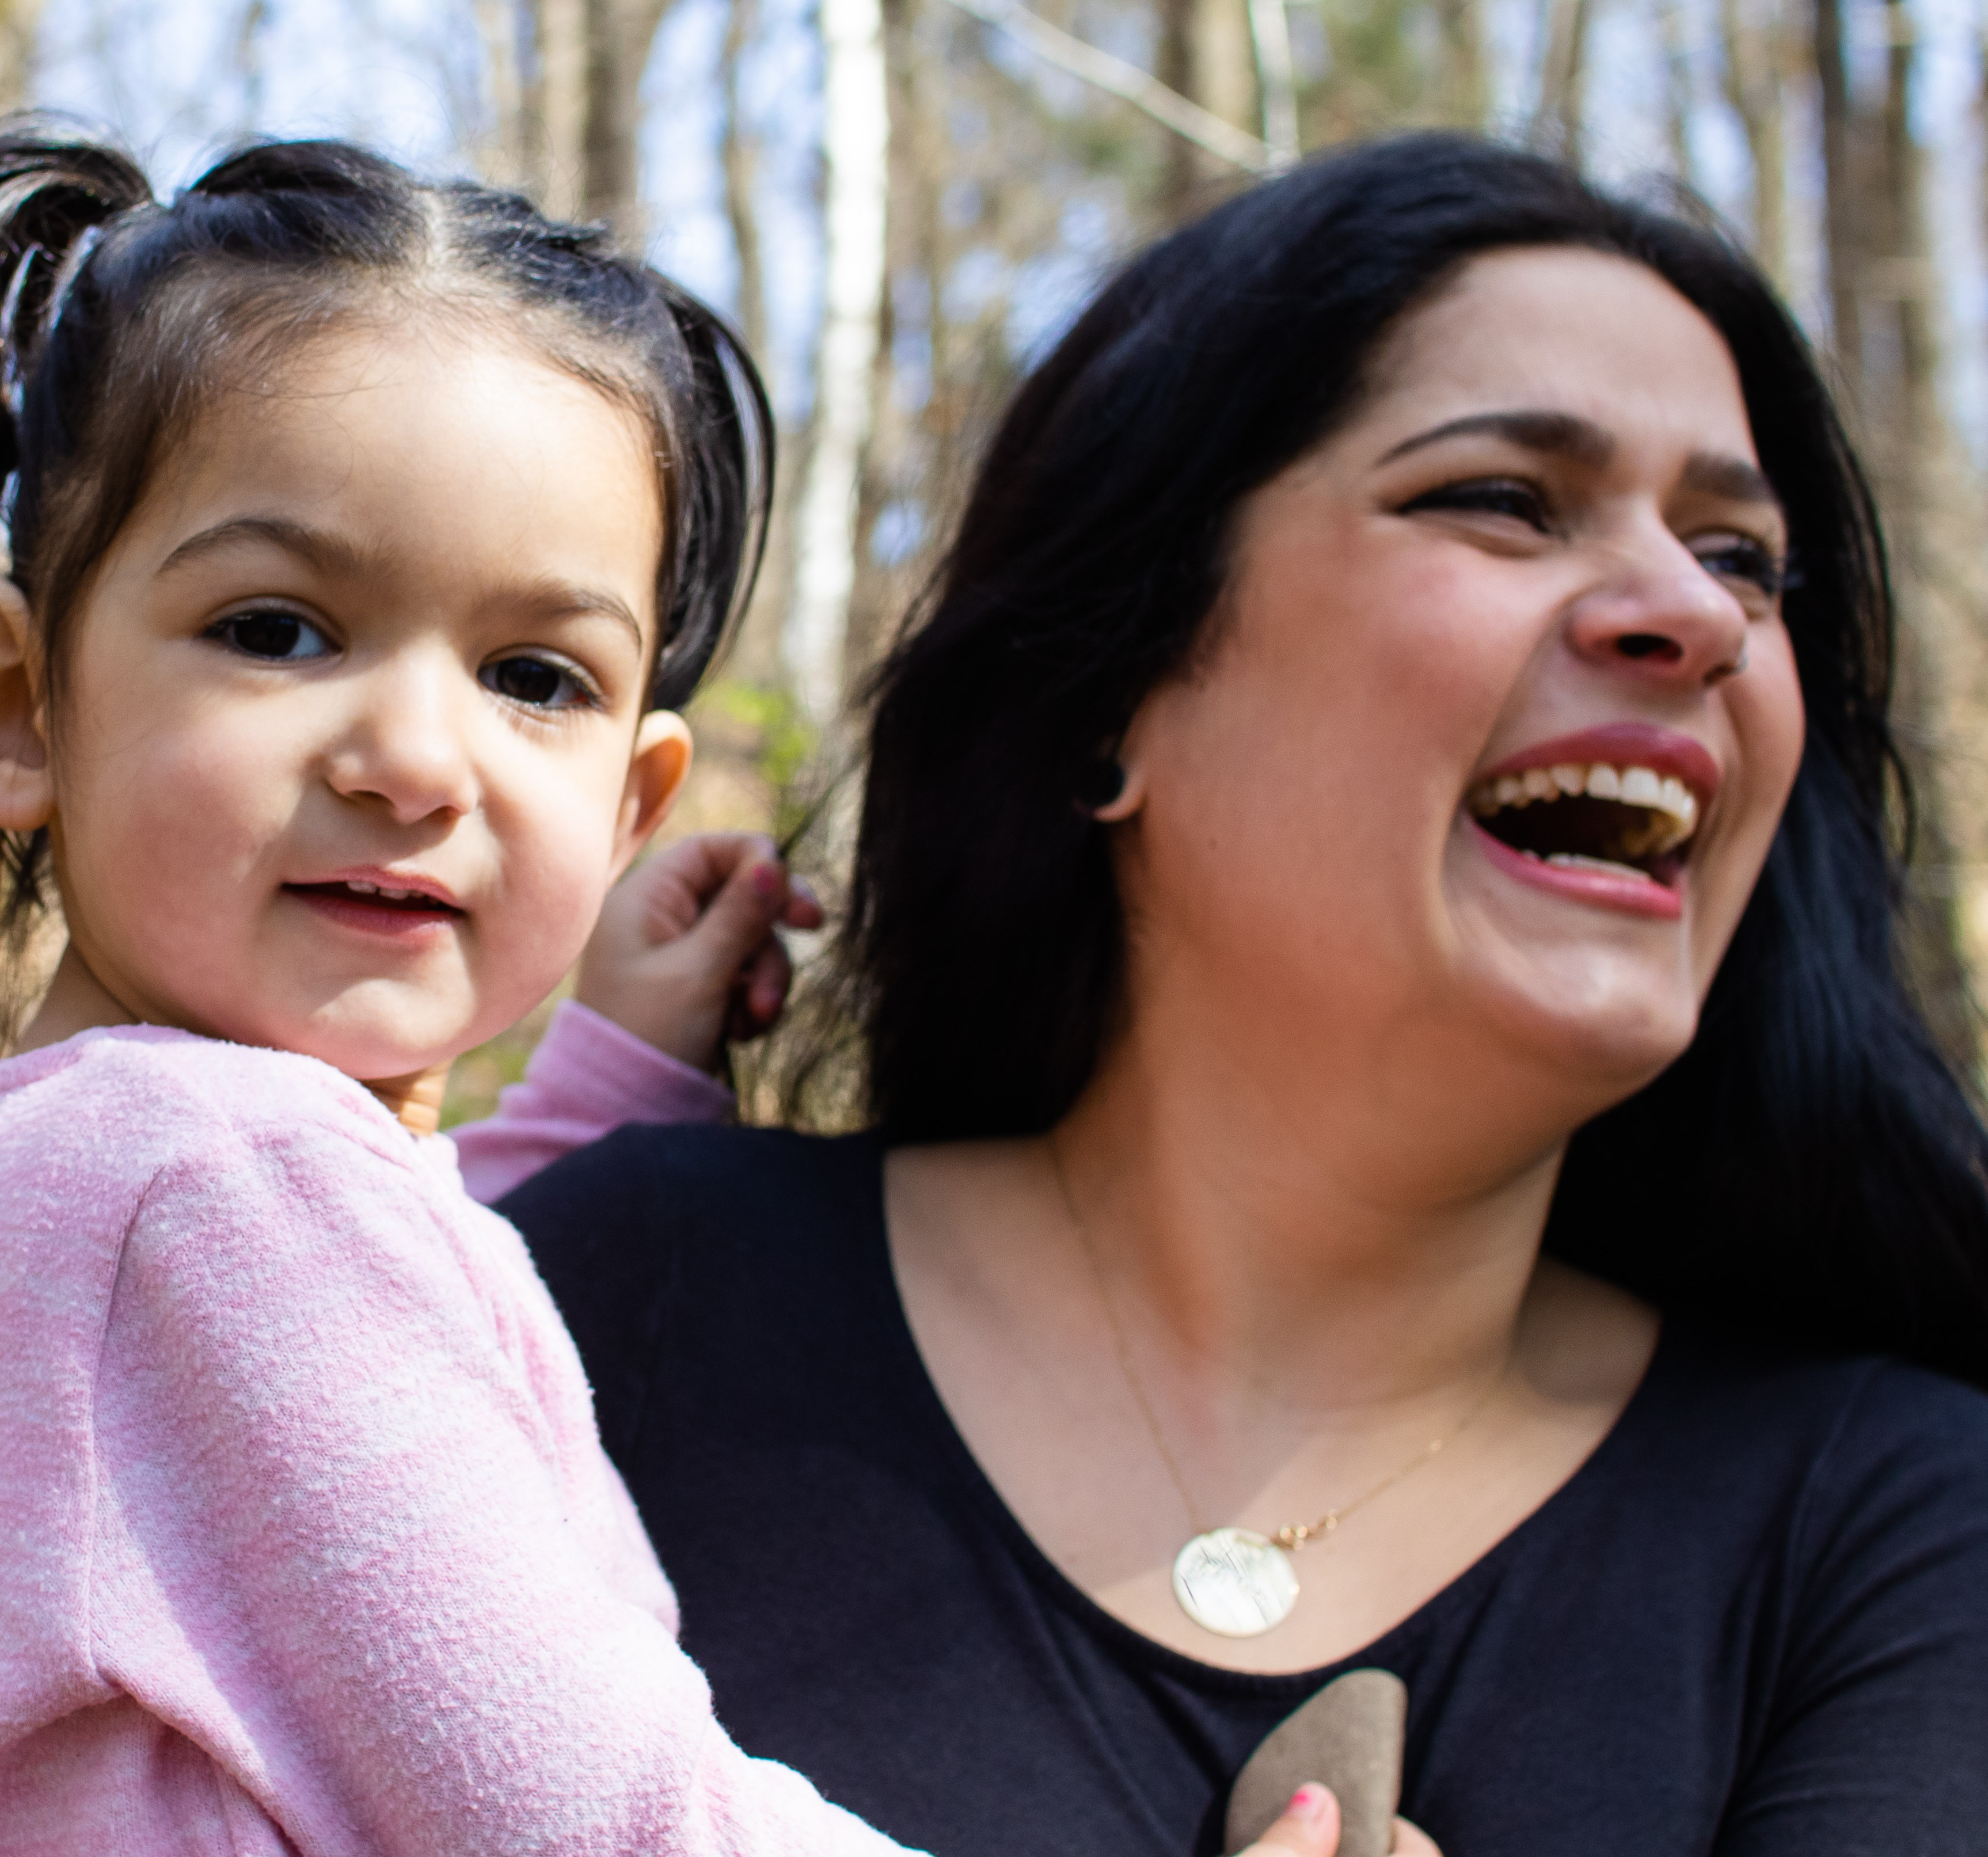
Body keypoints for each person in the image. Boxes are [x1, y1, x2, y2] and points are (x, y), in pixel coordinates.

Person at [0, 123, 1374, 1857]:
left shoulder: (108, 1184)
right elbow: (603, 1822)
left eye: (534, 677)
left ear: (630, 803)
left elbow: (369, 1363)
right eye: (275, 629)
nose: (413, 759)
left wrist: (596, 1093)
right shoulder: (199, 1191)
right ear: (14, 703)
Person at [504, 132, 1988, 1856]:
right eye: (1504, 498)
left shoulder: (1901, 1531)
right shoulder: (624, 1304)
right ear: (1114, 695)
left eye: (1745, 557)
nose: (1694, 615)